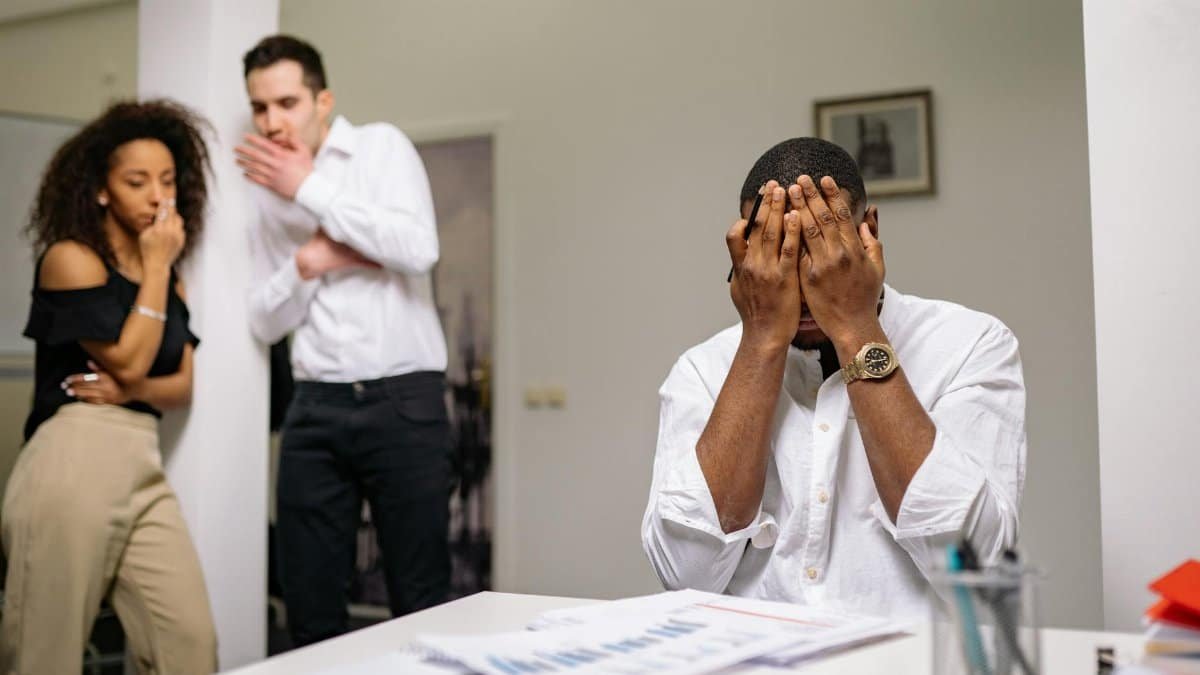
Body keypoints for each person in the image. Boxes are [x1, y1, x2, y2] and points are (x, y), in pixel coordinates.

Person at [640, 138, 1025, 620]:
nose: (798, 277)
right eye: (772, 247)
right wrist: (761, 340)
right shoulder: (702, 369)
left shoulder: (970, 343)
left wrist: (854, 326)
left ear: (869, 233)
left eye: (821, 244)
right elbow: (684, 575)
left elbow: (974, 564)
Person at [236, 35, 452, 646]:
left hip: (404, 403)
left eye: (287, 102)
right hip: (314, 409)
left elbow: (417, 249)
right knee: (308, 606)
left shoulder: (380, 149)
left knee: (421, 602)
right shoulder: (258, 193)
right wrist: (310, 263)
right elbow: (261, 320)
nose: (273, 122)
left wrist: (308, 189)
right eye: (259, 108)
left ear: (322, 100)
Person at [1, 100, 217, 673]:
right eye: (137, 181)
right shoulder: (71, 259)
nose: (157, 197)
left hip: (141, 466)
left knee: (189, 645)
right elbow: (129, 358)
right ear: (101, 190)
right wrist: (154, 271)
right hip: (73, 458)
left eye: (168, 181)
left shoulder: (171, 282)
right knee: (45, 654)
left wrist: (132, 391)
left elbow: (182, 387)